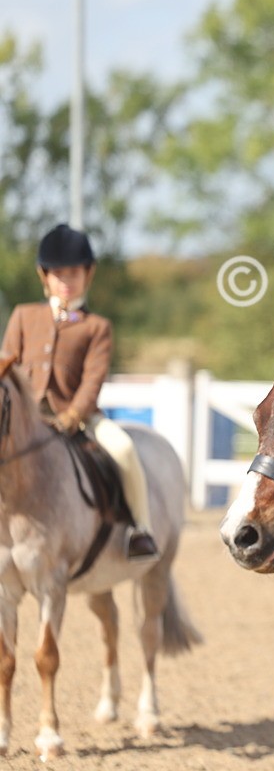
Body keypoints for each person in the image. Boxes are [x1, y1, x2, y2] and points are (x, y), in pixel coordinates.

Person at [0, 224, 159, 560]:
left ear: (88, 274)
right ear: (44, 276)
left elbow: (93, 380)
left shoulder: (96, 327)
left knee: (124, 448)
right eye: (58, 273)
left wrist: (72, 416)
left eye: (73, 272)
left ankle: (139, 530)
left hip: (77, 419)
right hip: (25, 420)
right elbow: (6, 368)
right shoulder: (23, 316)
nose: (66, 280)